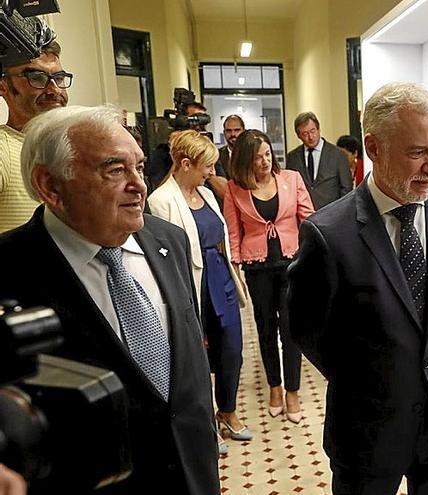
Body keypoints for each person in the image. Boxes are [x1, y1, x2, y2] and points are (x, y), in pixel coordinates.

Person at [0, 105, 219, 495]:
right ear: (51, 186)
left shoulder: (169, 241)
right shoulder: (8, 270)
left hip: (193, 473)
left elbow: (189, 367)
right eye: (115, 170)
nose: (139, 185)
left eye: (138, 165)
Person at [287, 82, 428, 495]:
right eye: (417, 152)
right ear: (373, 147)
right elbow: (307, 329)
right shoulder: (328, 234)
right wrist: (374, 377)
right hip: (367, 432)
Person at [147, 130, 251, 449]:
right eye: (207, 167)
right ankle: (206, 422)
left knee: (232, 348)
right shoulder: (160, 200)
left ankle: (228, 413)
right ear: (185, 163)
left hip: (221, 276)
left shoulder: (206, 194)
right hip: (193, 283)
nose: (212, 173)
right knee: (199, 356)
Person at [224, 129, 314, 423]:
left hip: (292, 264)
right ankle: (274, 386)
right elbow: (233, 232)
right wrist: (235, 268)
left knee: (291, 330)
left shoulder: (291, 179)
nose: (264, 162)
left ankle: (292, 391)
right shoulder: (235, 190)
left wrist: (314, 256)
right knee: (265, 329)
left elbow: (308, 219)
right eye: (257, 158)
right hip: (257, 267)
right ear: (245, 161)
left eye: (267, 154)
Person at [0, 40, 70, 233]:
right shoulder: (3, 150)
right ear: (3, 86)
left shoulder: (77, 147)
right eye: (37, 78)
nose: (54, 90)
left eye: (59, 77)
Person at [286, 112, 352, 210]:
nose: (310, 137)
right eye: (305, 134)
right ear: (299, 136)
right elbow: (290, 189)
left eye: (313, 131)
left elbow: (346, 189)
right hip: (304, 217)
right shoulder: (293, 157)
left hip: (332, 214)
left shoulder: (338, 155)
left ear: (318, 129)